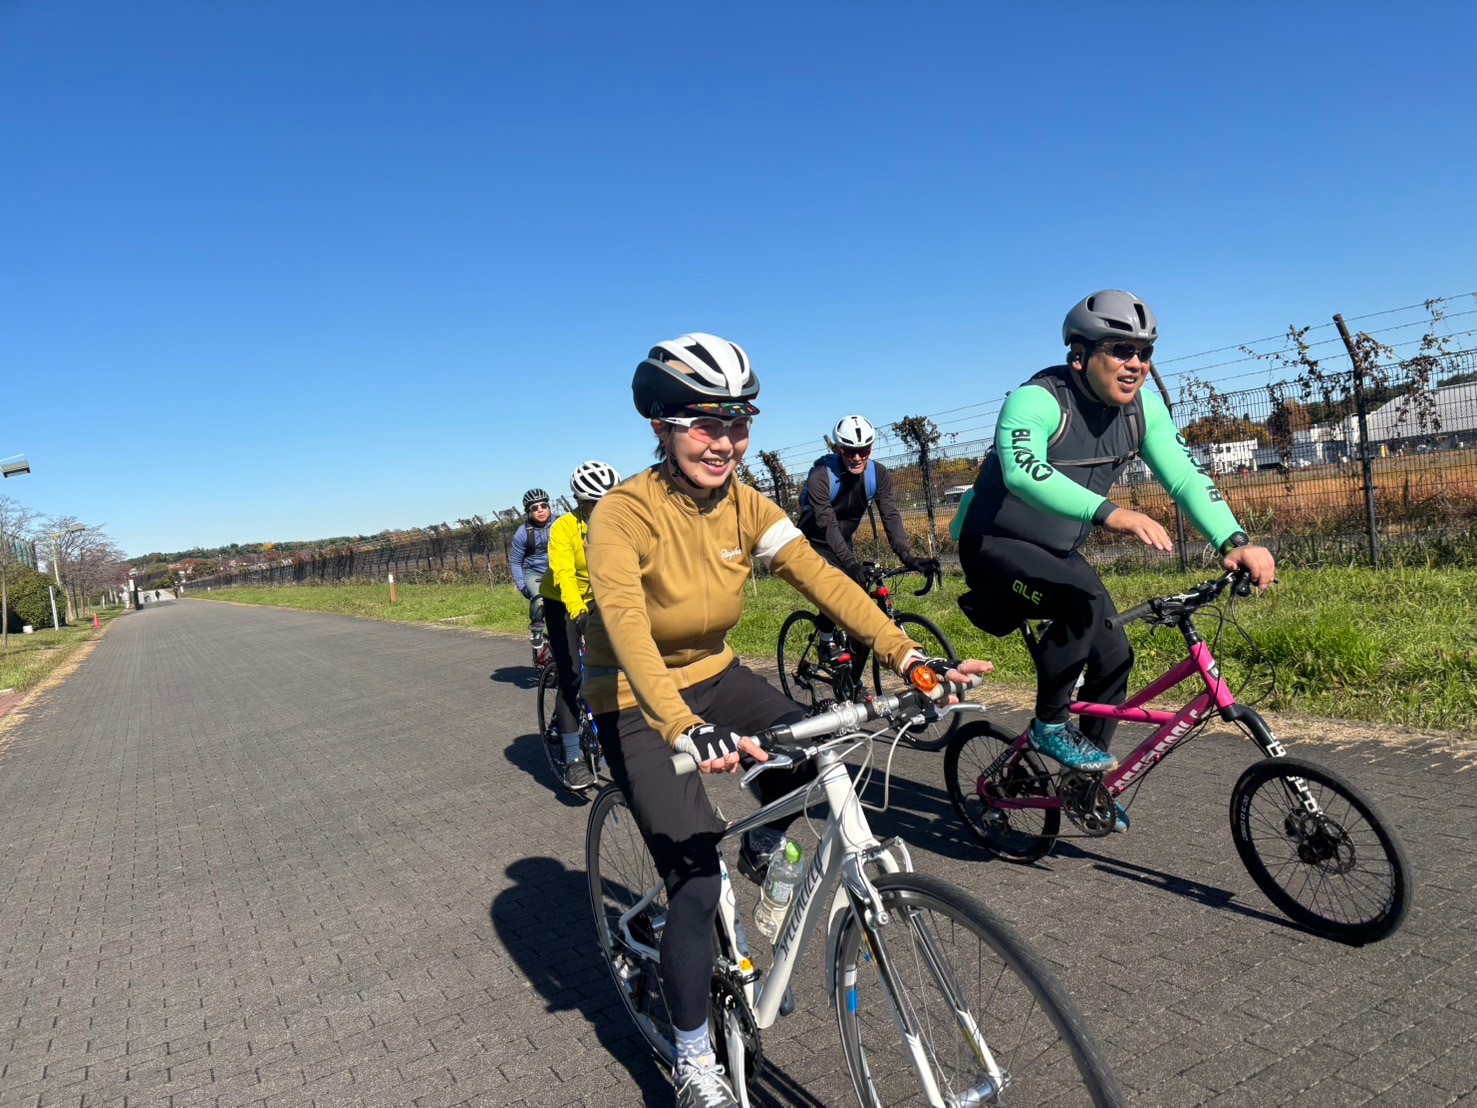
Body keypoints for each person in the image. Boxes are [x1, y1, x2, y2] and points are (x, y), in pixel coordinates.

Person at [585, 332, 990, 1107]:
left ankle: (767, 848)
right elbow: (627, 629)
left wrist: (908, 658)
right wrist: (679, 728)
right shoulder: (623, 515)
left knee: (818, 763)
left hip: (713, 674)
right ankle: (694, 1055)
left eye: (739, 422)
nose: (725, 441)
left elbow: (820, 577)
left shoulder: (745, 504)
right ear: (660, 427)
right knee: (695, 887)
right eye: (704, 422)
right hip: (635, 701)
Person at [953, 290, 1276, 818]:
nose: (1137, 365)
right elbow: (1021, 470)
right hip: (995, 545)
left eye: (1145, 353)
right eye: (1121, 350)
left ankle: (1084, 784)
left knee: (1115, 655)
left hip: (1057, 550)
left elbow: (1186, 477)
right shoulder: (1037, 400)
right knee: (1078, 605)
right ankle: (1049, 725)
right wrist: (1110, 512)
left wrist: (1235, 541)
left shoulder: (1143, 410)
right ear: (1080, 355)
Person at [796, 414, 939, 662]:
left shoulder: (878, 474)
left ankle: (851, 668)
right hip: (815, 540)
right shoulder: (821, 476)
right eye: (849, 451)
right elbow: (827, 523)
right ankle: (825, 643)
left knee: (858, 594)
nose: (857, 457)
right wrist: (849, 563)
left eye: (863, 451)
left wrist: (907, 556)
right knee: (837, 587)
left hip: (842, 540)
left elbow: (890, 515)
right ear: (839, 449)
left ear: (870, 448)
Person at [538, 460, 621, 789]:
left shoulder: (618, 527)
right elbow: (565, 576)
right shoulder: (564, 529)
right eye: (593, 505)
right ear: (579, 503)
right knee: (571, 675)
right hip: (561, 602)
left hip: (599, 599)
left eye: (608, 503)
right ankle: (572, 757)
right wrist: (579, 614)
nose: (601, 511)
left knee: (618, 668)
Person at [510, 489, 553, 655]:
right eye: (535, 508)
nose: (540, 510)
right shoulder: (523, 533)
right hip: (533, 573)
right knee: (540, 599)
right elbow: (515, 562)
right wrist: (522, 586)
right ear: (529, 512)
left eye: (543, 506)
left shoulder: (560, 525)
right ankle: (536, 628)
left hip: (558, 571)